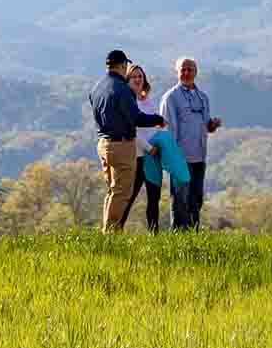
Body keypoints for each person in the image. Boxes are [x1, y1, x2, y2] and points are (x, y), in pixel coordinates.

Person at [87, 50, 165, 234]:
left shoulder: (97, 87)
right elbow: (135, 118)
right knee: (122, 192)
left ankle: (107, 230)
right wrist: (157, 119)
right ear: (122, 65)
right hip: (121, 145)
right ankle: (111, 233)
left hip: (103, 143)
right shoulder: (123, 89)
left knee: (112, 190)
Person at [158, 57, 220, 230]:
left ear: (196, 72)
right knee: (180, 200)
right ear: (177, 72)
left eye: (190, 69)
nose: (186, 73)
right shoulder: (170, 97)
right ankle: (179, 238)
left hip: (199, 156)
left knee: (196, 199)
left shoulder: (203, 98)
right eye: (183, 69)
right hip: (180, 157)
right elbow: (167, 129)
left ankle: (194, 234)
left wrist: (212, 125)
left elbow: (205, 126)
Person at [118, 64, 166, 232]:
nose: (138, 79)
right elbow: (130, 130)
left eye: (141, 76)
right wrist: (148, 148)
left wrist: (160, 143)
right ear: (127, 80)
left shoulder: (150, 101)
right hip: (137, 156)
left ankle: (154, 234)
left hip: (154, 157)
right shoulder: (128, 101)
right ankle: (116, 231)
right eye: (134, 77)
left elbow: (155, 126)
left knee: (154, 198)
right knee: (129, 197)